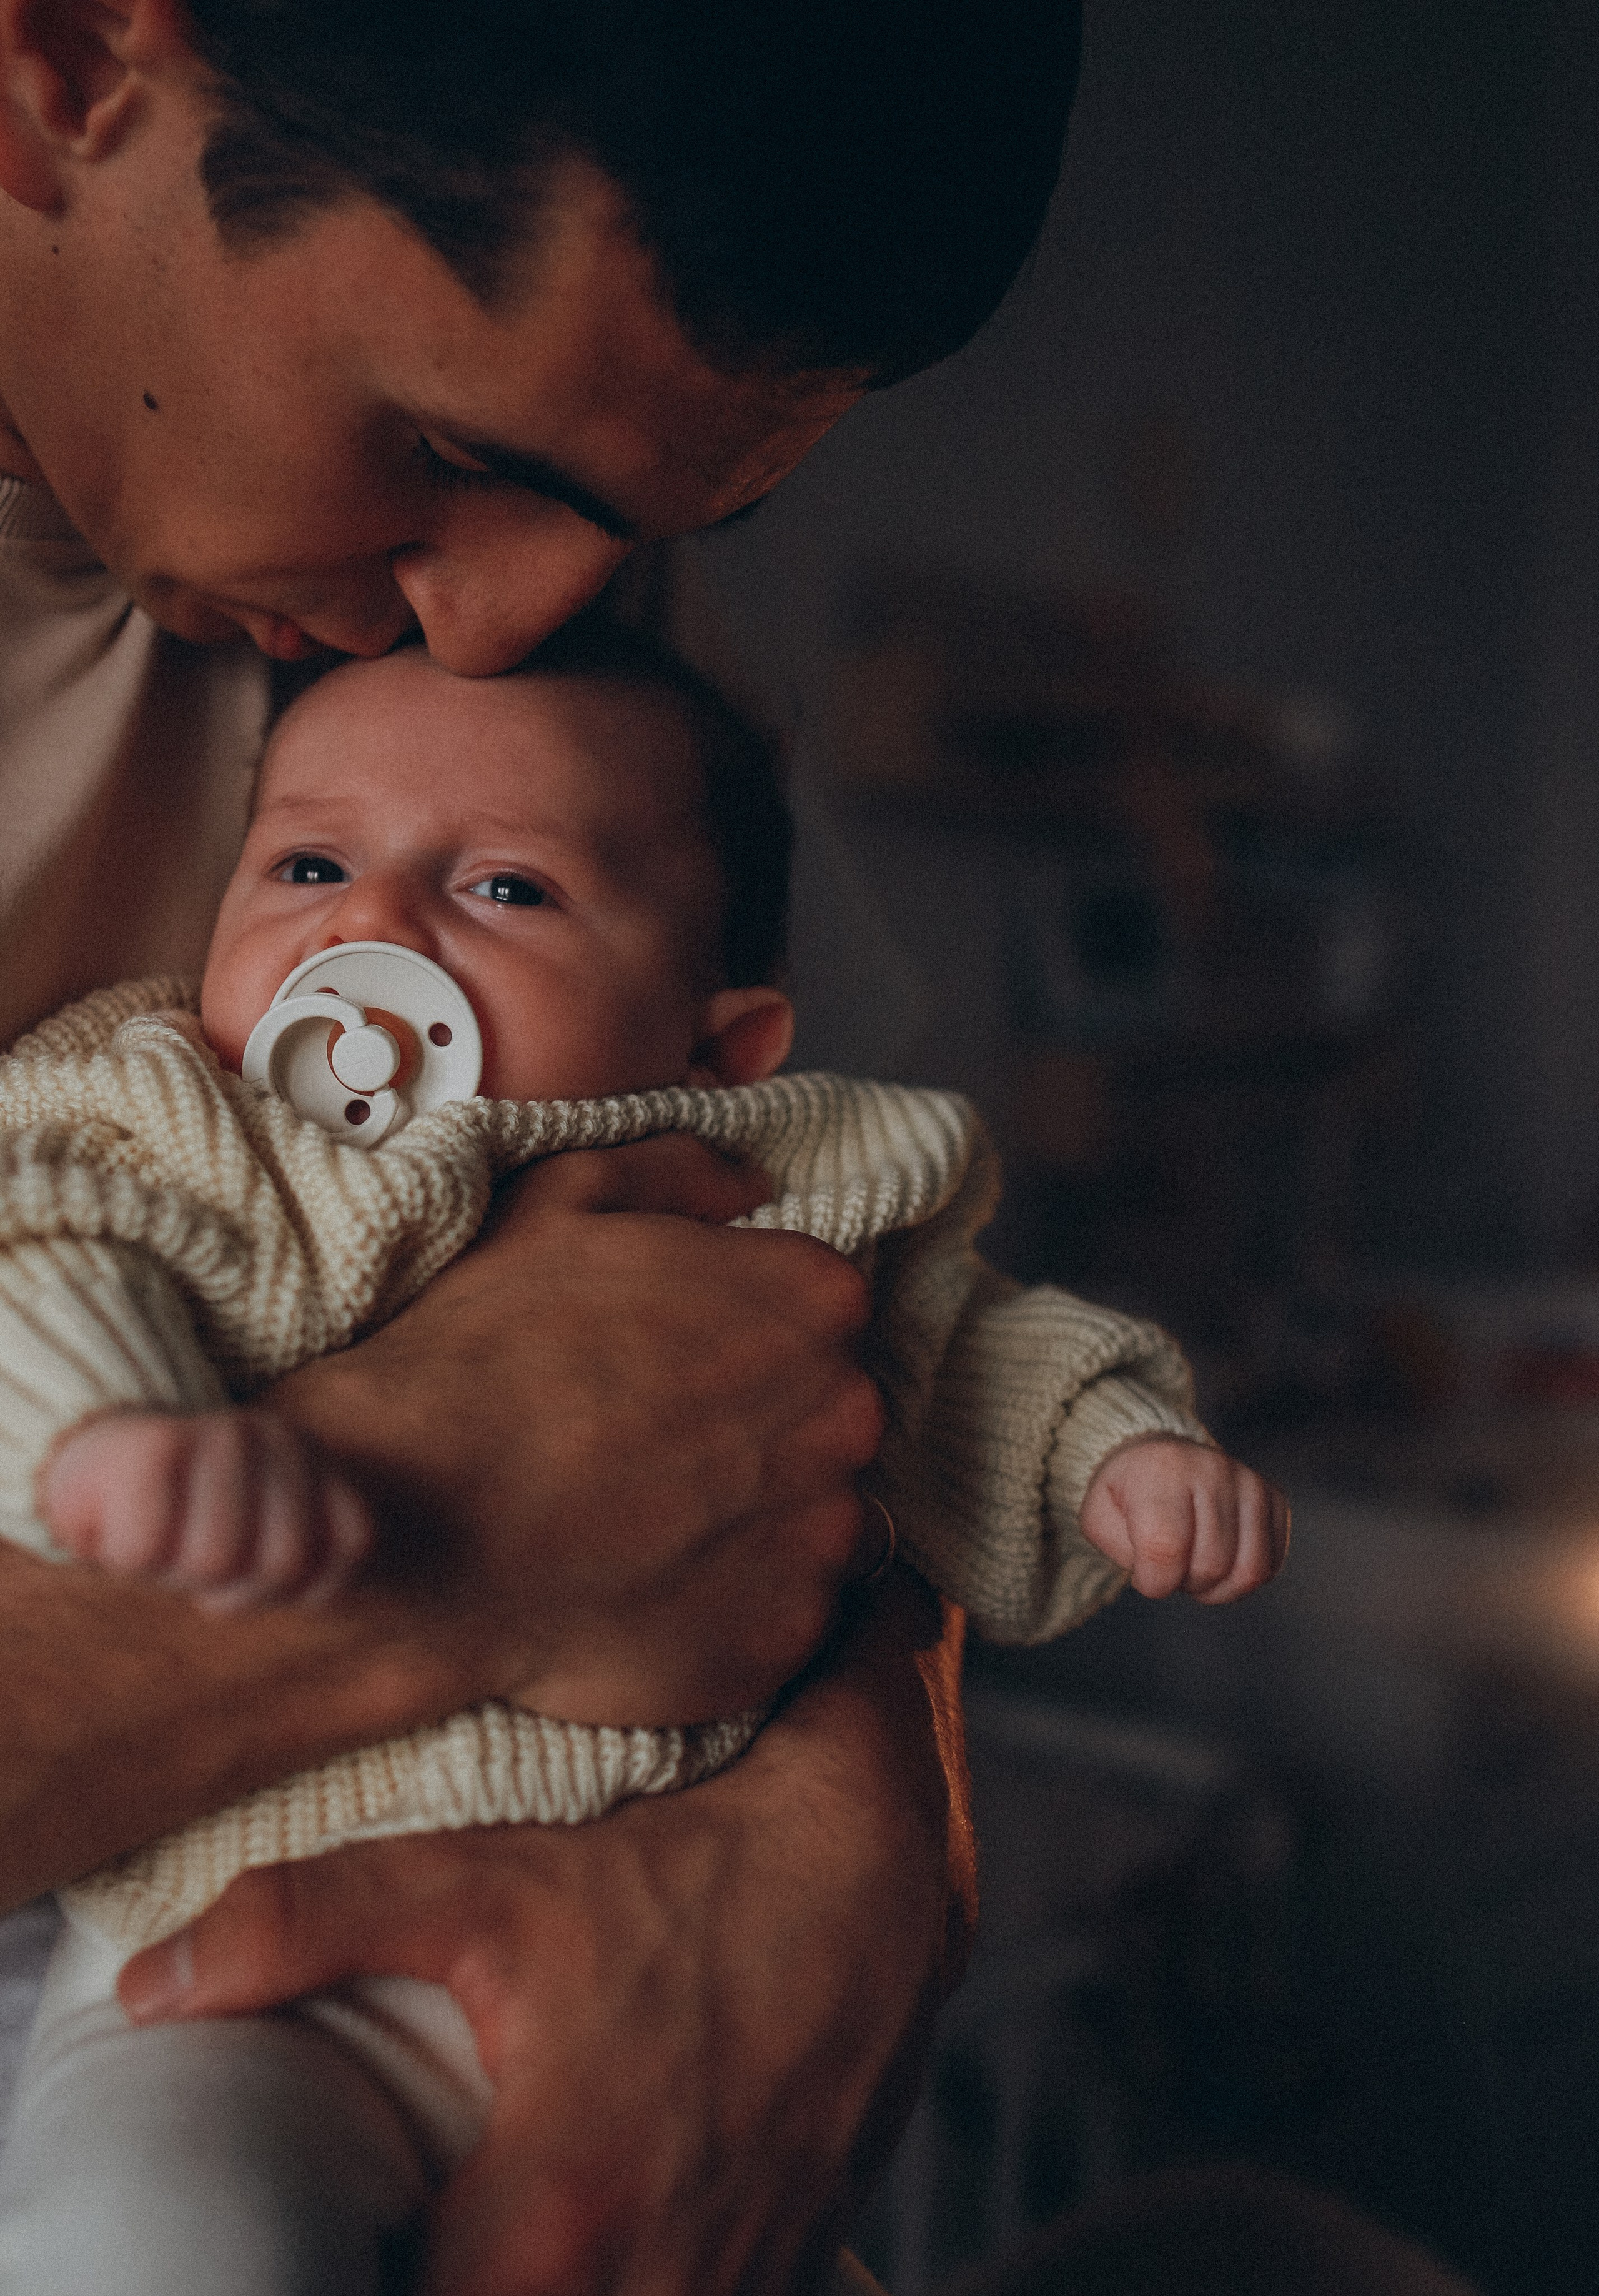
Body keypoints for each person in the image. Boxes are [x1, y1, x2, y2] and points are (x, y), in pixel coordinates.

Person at [0, 2, 1085, 2287]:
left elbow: (804, 1331)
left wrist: (848, 1842)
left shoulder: (530, 557)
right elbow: (616, 1441)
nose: (504, 620)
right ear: (73, 62)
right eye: (438, 445)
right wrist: (473, 1507)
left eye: (652, 519)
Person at [0, 628, 1287, 2292]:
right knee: (167, 2233)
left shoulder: (771, 1179)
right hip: (233, 1967)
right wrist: (116, 1431)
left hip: (645, 1971)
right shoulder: (185, 1122)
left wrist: (1118, 1450)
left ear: (719, 1044)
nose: (372, 924)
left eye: (507, 889)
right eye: (309, 864)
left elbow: (958, 1352)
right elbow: (53, 1250)